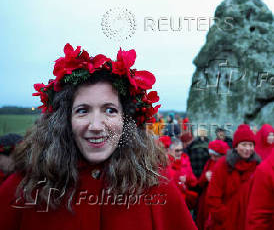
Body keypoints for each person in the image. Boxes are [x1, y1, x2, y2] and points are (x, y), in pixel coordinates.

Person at [0, 43, 196, 230]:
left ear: (126, 119)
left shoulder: (156, 184)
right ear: (64, 120)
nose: (95, 126)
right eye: (82, 111)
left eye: (110, 110)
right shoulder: (25, 185)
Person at [207, 124, 260, 230]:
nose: (248, 149)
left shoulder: (257, 166)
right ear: (236, 146)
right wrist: (224, 217)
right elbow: (213, 196)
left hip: (249, 222)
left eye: (250, 145)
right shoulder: (223, 165)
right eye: (244, 144)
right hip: (226, 224)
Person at [196, 140, 229, 230]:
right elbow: (200, 182)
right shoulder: (210, 162)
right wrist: (206, 176)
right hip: (207, 199)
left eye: (215, 156)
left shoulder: (228, 163)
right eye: (211, 155)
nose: (212, 158)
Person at [168, 139, 198, 210]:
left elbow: (194, 182)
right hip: (170, 201)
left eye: (181, 150)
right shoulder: (165, 163)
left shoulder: (185, 161)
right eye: (177, 150)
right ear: (169, 151)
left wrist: (186, 179)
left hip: (183, 201)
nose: (180, 153)